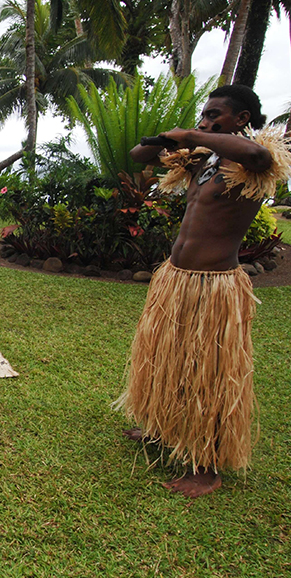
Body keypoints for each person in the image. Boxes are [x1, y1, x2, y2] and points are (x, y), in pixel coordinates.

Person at [118, 84, 291, 498]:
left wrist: (193, 135)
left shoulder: (253, 159)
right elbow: (138, 158)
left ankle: (206, 466)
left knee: (209, 373)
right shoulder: (202, 161)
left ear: (242, 119)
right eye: (205, 114)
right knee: (166, 358)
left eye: (216, 114)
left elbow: (259, 156)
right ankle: (160, 427)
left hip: (214, 287)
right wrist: (170, 139)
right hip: (175, 279)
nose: (206, 120)